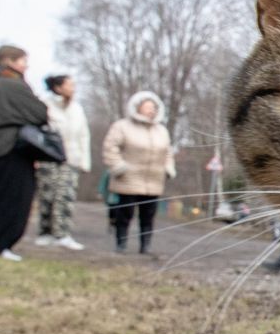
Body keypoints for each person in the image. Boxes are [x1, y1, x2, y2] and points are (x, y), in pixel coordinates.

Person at [0, 45, 51, 261]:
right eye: (23, 61)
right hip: (9, 150)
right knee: (13, 199)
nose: (26, 66)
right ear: (9, 61)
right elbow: (40, 112)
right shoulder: (12, 85)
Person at [102, 90, 175, 256]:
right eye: (147, 106)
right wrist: (118, 166)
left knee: (148, 215)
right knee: (125, 213)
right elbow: (110, 148)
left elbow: (168, 152)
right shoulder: (122, 126)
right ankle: (121, 244)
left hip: (153, 180)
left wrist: (168, 168)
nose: (151, 110)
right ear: (137, 107)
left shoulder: (161, 130)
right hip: (128, 179)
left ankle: (145, 245)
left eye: (153, 107)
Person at [34, 73, 92, 250]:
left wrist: (84, 160)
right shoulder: (44, 105)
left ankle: (63, 233)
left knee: (65, 196)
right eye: (70, 85)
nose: (73, 89)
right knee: (47, 195)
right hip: (48, 158)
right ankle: (45, 232)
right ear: (58, 87)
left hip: (71, 158)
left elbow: (84, 135)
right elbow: (37, 132)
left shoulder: (77, 108)